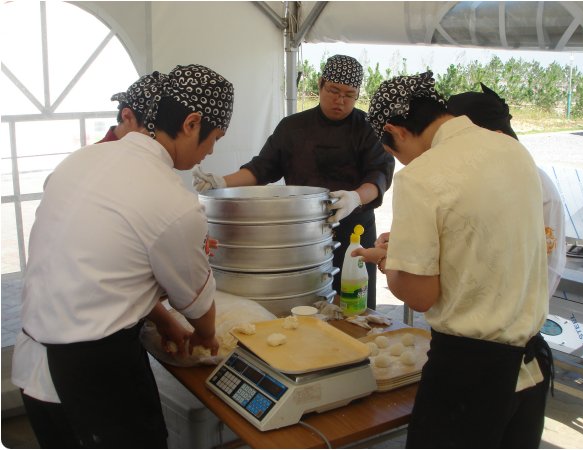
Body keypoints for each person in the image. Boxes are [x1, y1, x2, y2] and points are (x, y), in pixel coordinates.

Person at [15, 64, 234, 448]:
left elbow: (102, 270)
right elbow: (199, 308)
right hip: (96, 381)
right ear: (191, 123)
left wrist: (162, 319)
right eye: (214, 137)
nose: (211, 150)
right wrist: (207, 338)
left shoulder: (81, 161)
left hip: (34, 373)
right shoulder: (173, 203)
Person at [355, 72, 553, 448]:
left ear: (395, 131)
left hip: (470, 374)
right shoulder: (511, 150)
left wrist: (392, 261)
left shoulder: (422, 177)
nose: (402, 163)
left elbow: (419, 295)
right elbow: (485, 240)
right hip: (530, 365)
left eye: (395, 155)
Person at [193, 55, 395, 309]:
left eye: (349, 94)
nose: (340, 100)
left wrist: (355, 198)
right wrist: (222, 182)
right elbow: (261, 169)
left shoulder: (367, 128)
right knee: (307, 304)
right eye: (333, 90)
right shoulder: (293, 127)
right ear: (320, 84)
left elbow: (379, 174)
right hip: (302, 234)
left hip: (354, 231)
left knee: (355, 308)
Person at [446, 83, 566, 300]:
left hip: (513, 318)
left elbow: (550, 266)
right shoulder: (470, 178)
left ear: (496, 136)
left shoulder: (540, 188)